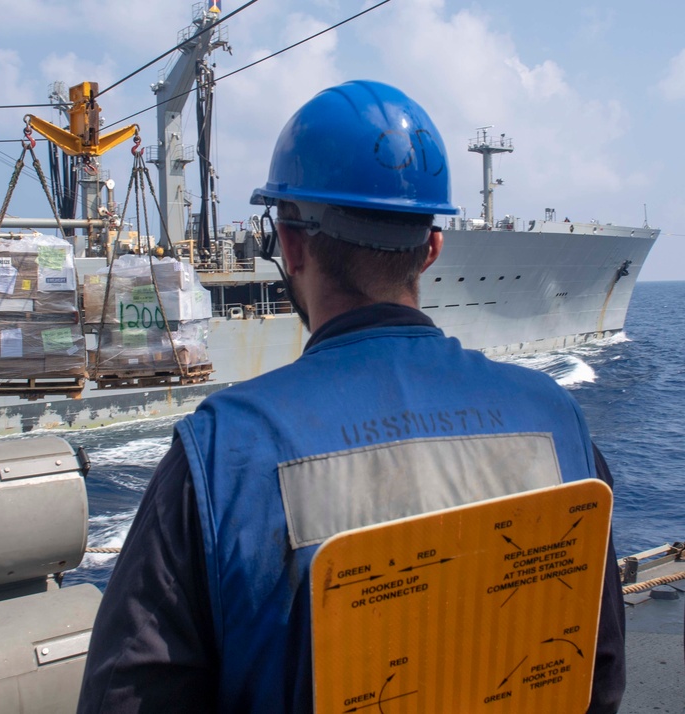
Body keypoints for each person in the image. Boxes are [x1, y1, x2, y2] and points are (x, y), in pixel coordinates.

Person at [76, 81, 625, 713]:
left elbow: (128, 696)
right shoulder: (557, 420)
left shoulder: (221, 453)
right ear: (431, 249)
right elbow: (597, 671)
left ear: (292, 244)